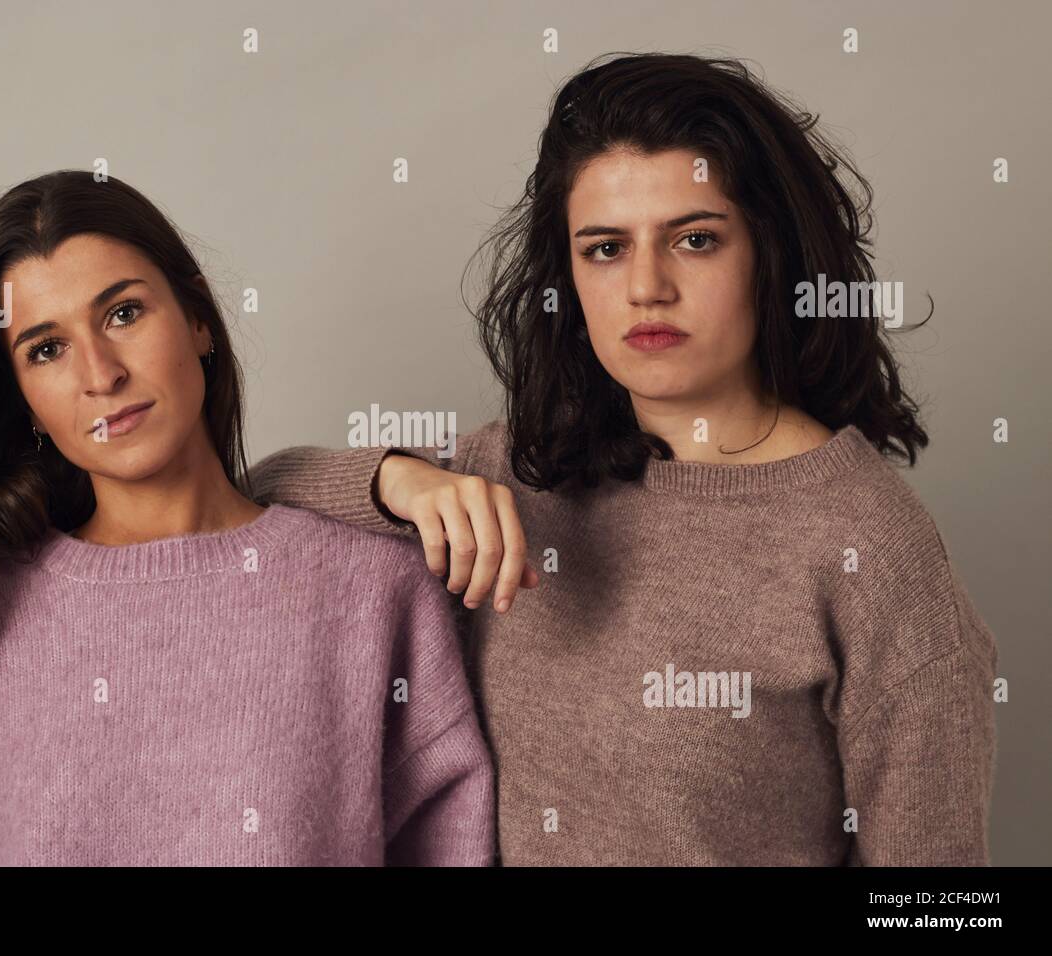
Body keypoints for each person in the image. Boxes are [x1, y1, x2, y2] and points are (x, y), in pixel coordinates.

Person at [249, 53, 999, 865]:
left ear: (770, 254)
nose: (647, 286)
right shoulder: (519, 467)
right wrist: (399, 479)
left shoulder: (872, 546)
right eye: (605, 248)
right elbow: (253, 493)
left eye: (696, 239)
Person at [0, 171, 494, 866]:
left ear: (198, 319)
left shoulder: (374, 593)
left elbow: (448, 844)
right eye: (46, 349)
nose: (100, 373)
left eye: (123, 314)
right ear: (22, 401)